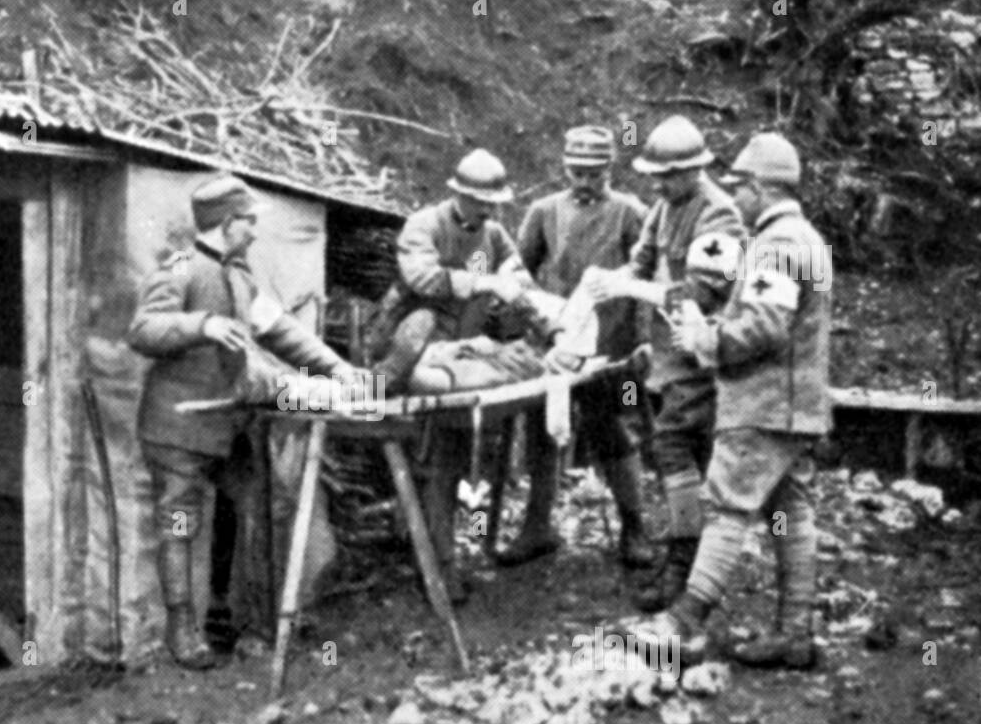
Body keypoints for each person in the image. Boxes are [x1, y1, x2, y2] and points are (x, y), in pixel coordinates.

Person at [128, 174, 357, 669]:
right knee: (179, 524)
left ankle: (253, 622)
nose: (255, 231)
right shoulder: (182, 267)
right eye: (249, 222)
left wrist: (337, 369)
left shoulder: (242, 276)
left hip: (226, 426)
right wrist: (201, 325)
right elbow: (143, 330)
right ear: (227, 223)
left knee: (261, 505)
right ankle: (182, 632)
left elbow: (281, 332)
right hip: (178, 431)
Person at [636, 132, 832, 668]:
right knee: (790, 512)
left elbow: (766, 326)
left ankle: (680, 624)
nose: (736, 196)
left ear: (764, 189)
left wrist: (709, 339)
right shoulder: (808, 240)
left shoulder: (776, 243)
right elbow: (782, 320)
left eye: (742, 186)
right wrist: (723, 324)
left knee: (725, 508)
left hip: (762, 405)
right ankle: (794, 634)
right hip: (797, 407)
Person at [583, 115, 747, 612]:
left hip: (703, 360)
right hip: (668, 362)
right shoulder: (662, 208)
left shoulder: (719, 216)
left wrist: (632, 287)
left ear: (695, 170)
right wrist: (608, 279)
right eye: (654, 175)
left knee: (678, 452)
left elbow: (698, 293)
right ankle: (689, 554)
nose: (657, 183)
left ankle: (686, 564)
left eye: (668, 175)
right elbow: (640, 262)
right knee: (679, 458)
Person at [363, 148, 532, 597]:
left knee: (453, 457)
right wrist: (481, 283)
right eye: (479, 200)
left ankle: (436, 555)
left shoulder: (493, 233)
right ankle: (437, 569)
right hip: (411, 349)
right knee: (434, 463)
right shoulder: (424, 225)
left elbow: (515, 268)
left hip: (460, 353)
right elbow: (422, 278)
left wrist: (516, 284)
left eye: (493, 202)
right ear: (457, 193)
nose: (488, 209)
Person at [499, 124, 655, 569]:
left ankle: (634, 526)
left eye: (595, 173)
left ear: (611, 167)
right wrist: (529, 326)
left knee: (612, 431)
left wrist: (642, 340)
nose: (585, 181)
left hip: (609, 346)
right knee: (543, 432)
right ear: (564, 167)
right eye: (577, 172)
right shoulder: (543, 212)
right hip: (555, 344)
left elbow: (644, 281)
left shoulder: (630, 212)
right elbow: (519, 278)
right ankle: (537, 526)